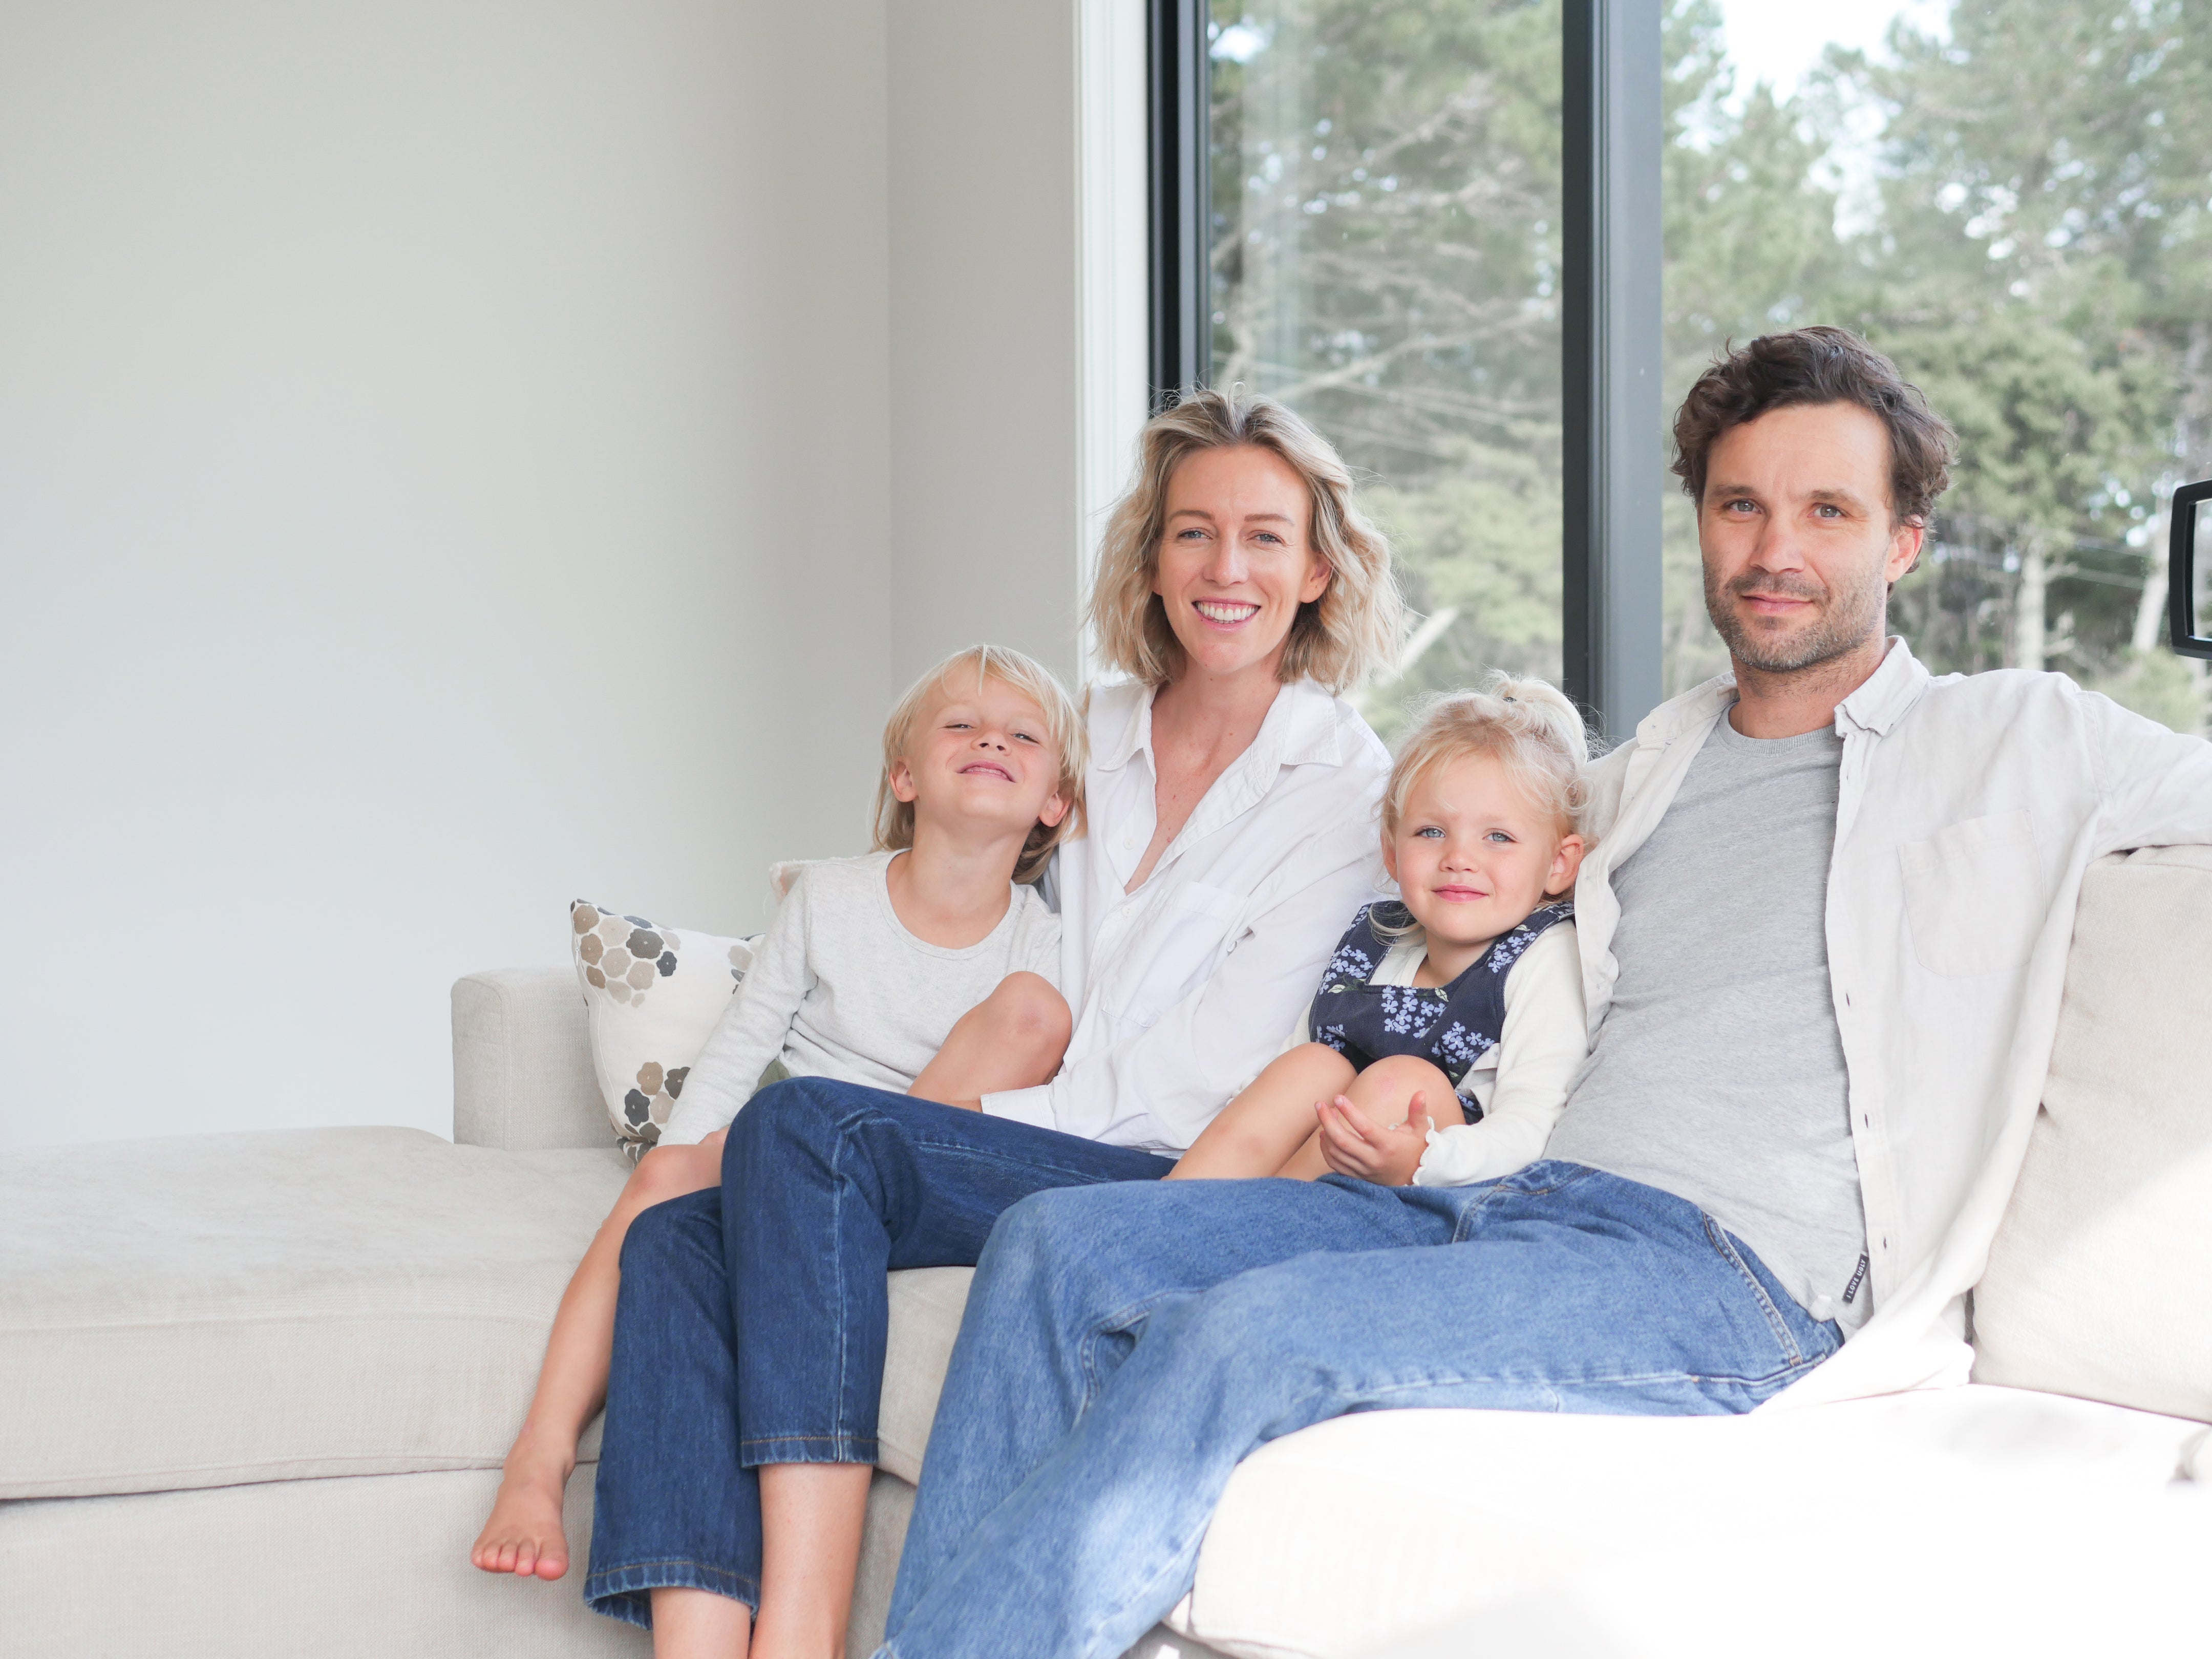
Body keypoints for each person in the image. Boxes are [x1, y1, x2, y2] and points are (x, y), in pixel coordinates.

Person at [875, 326, 2212, 1659]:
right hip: (1506, 1202)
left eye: (1829, 512)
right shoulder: (1641, 774)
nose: (1776, 549)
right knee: (1061, 1240)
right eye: (1741, 505)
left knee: (1254, 1333)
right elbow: (1476, 917)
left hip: (1732, 1277)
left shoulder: (2020, 739)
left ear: (1903, 543)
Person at [580, 387, 1406, 1658]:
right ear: (1151, 558)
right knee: (688, 1234)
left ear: (1314, 570)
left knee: (806, 1132)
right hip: (1011, 1125)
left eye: (1262, 536)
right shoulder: (1094, 732)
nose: (1224, 567)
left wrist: (955, 1116)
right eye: (1192, 532)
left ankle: (800, 1628)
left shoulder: (1348, 788)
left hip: (1151, 1164)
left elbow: (1209, 1065)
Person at [470, 643, 1082, 1580]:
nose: (989, 739)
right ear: (905, 773)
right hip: (793, 1145)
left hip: (914, 1172)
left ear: (1057, 803)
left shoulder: (1046, 942)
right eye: (961, 724)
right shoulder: (830, 897)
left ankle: (837, 1210)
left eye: (1023, 734)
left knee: (1030, 1017)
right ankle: (540, 1454)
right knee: (671, 1183)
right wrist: (678, 1156)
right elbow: (743, 1045)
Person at [1167, 675, 1589, 1184]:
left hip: (1449, 1188)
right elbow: (1282, 1074)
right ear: (1392, 851)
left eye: (1498, 837)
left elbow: (1533, 1127)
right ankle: (1174, 1208)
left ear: (1559, 865)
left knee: (1400, 1083)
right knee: (1311, 1065)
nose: (1459, 858)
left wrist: (1427, 1157)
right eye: (1431, 832)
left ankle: (1245, 1232)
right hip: (1320, 1168)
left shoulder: (1544, 955)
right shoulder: (1375, 940)